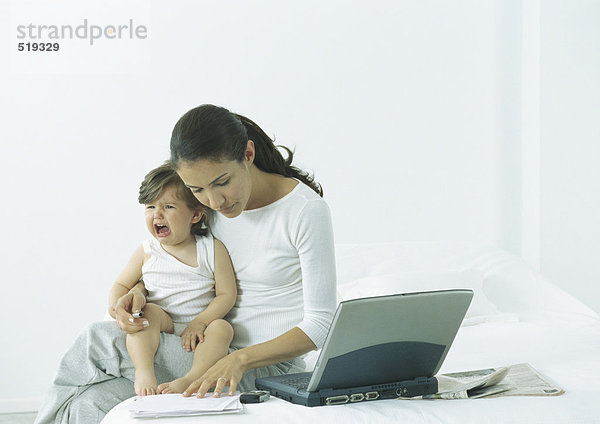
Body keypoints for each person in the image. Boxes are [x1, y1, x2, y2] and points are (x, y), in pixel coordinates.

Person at [34, 104, 336, 423]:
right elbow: (175, 257)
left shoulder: (304, 211)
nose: (215, 202)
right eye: (197, 190)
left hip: (261, 367)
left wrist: (240, 361)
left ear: (248, 154)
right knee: (90, 402)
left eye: (222, 182)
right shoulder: (208, 208)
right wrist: (136, 289)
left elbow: (321, 324)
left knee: (97, 339)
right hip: (200, 348)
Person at [107, 162, 237, 396]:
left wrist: (201, 321)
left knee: (223, 328)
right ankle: (144, 370)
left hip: (201, 327)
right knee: (146, 314)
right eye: (150, 207)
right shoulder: (147, 250)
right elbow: (121, 284)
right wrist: (118, 308)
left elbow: (227, 294)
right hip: (163, 321)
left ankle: (192, 378)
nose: (157, 214)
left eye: (168, 206)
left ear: (196, 214)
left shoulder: (211, 249)